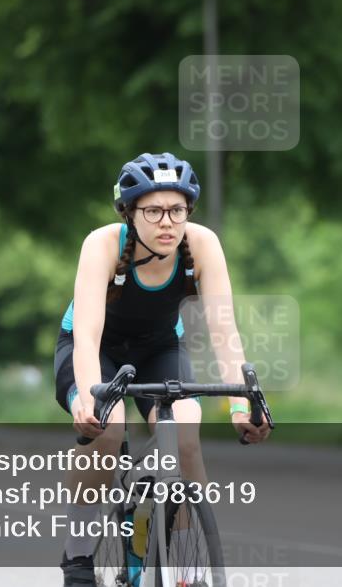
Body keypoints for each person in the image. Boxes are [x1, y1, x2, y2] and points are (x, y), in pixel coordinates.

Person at [54, 152, 271, 586]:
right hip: (95, 350)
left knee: (186, 437)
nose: (167, 222)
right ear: (129, 213)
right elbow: (88, 334)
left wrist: (239, 406)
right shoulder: (103, 244)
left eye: (177, 209)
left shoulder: (201, 245)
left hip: (159, 348)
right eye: (153, 210)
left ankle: (183, 571)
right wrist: (89, 396)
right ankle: (77, 557)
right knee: (109, 430)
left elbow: (223, 329)